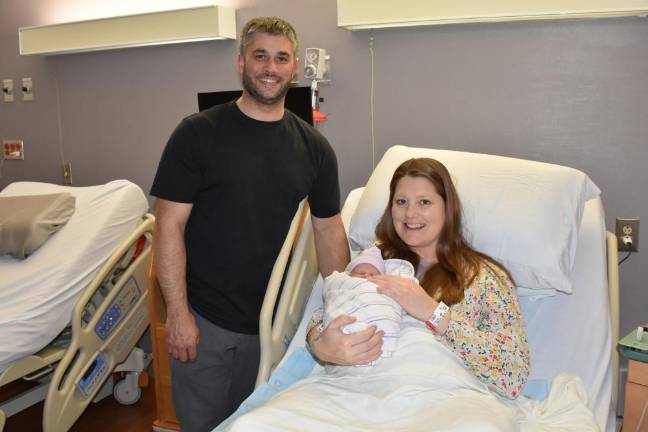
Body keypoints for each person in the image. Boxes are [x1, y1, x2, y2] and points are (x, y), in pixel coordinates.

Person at [150, 16, 355, 431]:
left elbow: (328, 230)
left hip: (273, 324)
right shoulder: (197, 134)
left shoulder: (314, 149)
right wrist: (178, 314)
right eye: (260, 55)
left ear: (294, 66)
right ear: (241, 62)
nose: (270, 67)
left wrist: (341, 304)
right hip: (205, 321)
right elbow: (167, 226)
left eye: (281, 58)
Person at [308, 157, 530, 398]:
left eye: (424, 202)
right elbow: (327, 312)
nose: (410, 213)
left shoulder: (484, 278)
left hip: (442, 399)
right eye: (401, 201)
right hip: (361, 391)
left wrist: (433, 312)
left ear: (448, 208)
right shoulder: (373, 262)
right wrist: (320, 345)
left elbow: (513, 374)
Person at [322, 249, 416, 361]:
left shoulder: (400, 281)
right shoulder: (345, 282)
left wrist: (433, 310)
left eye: (372, 274)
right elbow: (330, 302)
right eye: (360, 273)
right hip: (346, 336)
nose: (366, 276)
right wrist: (317, 343)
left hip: (400, 357)